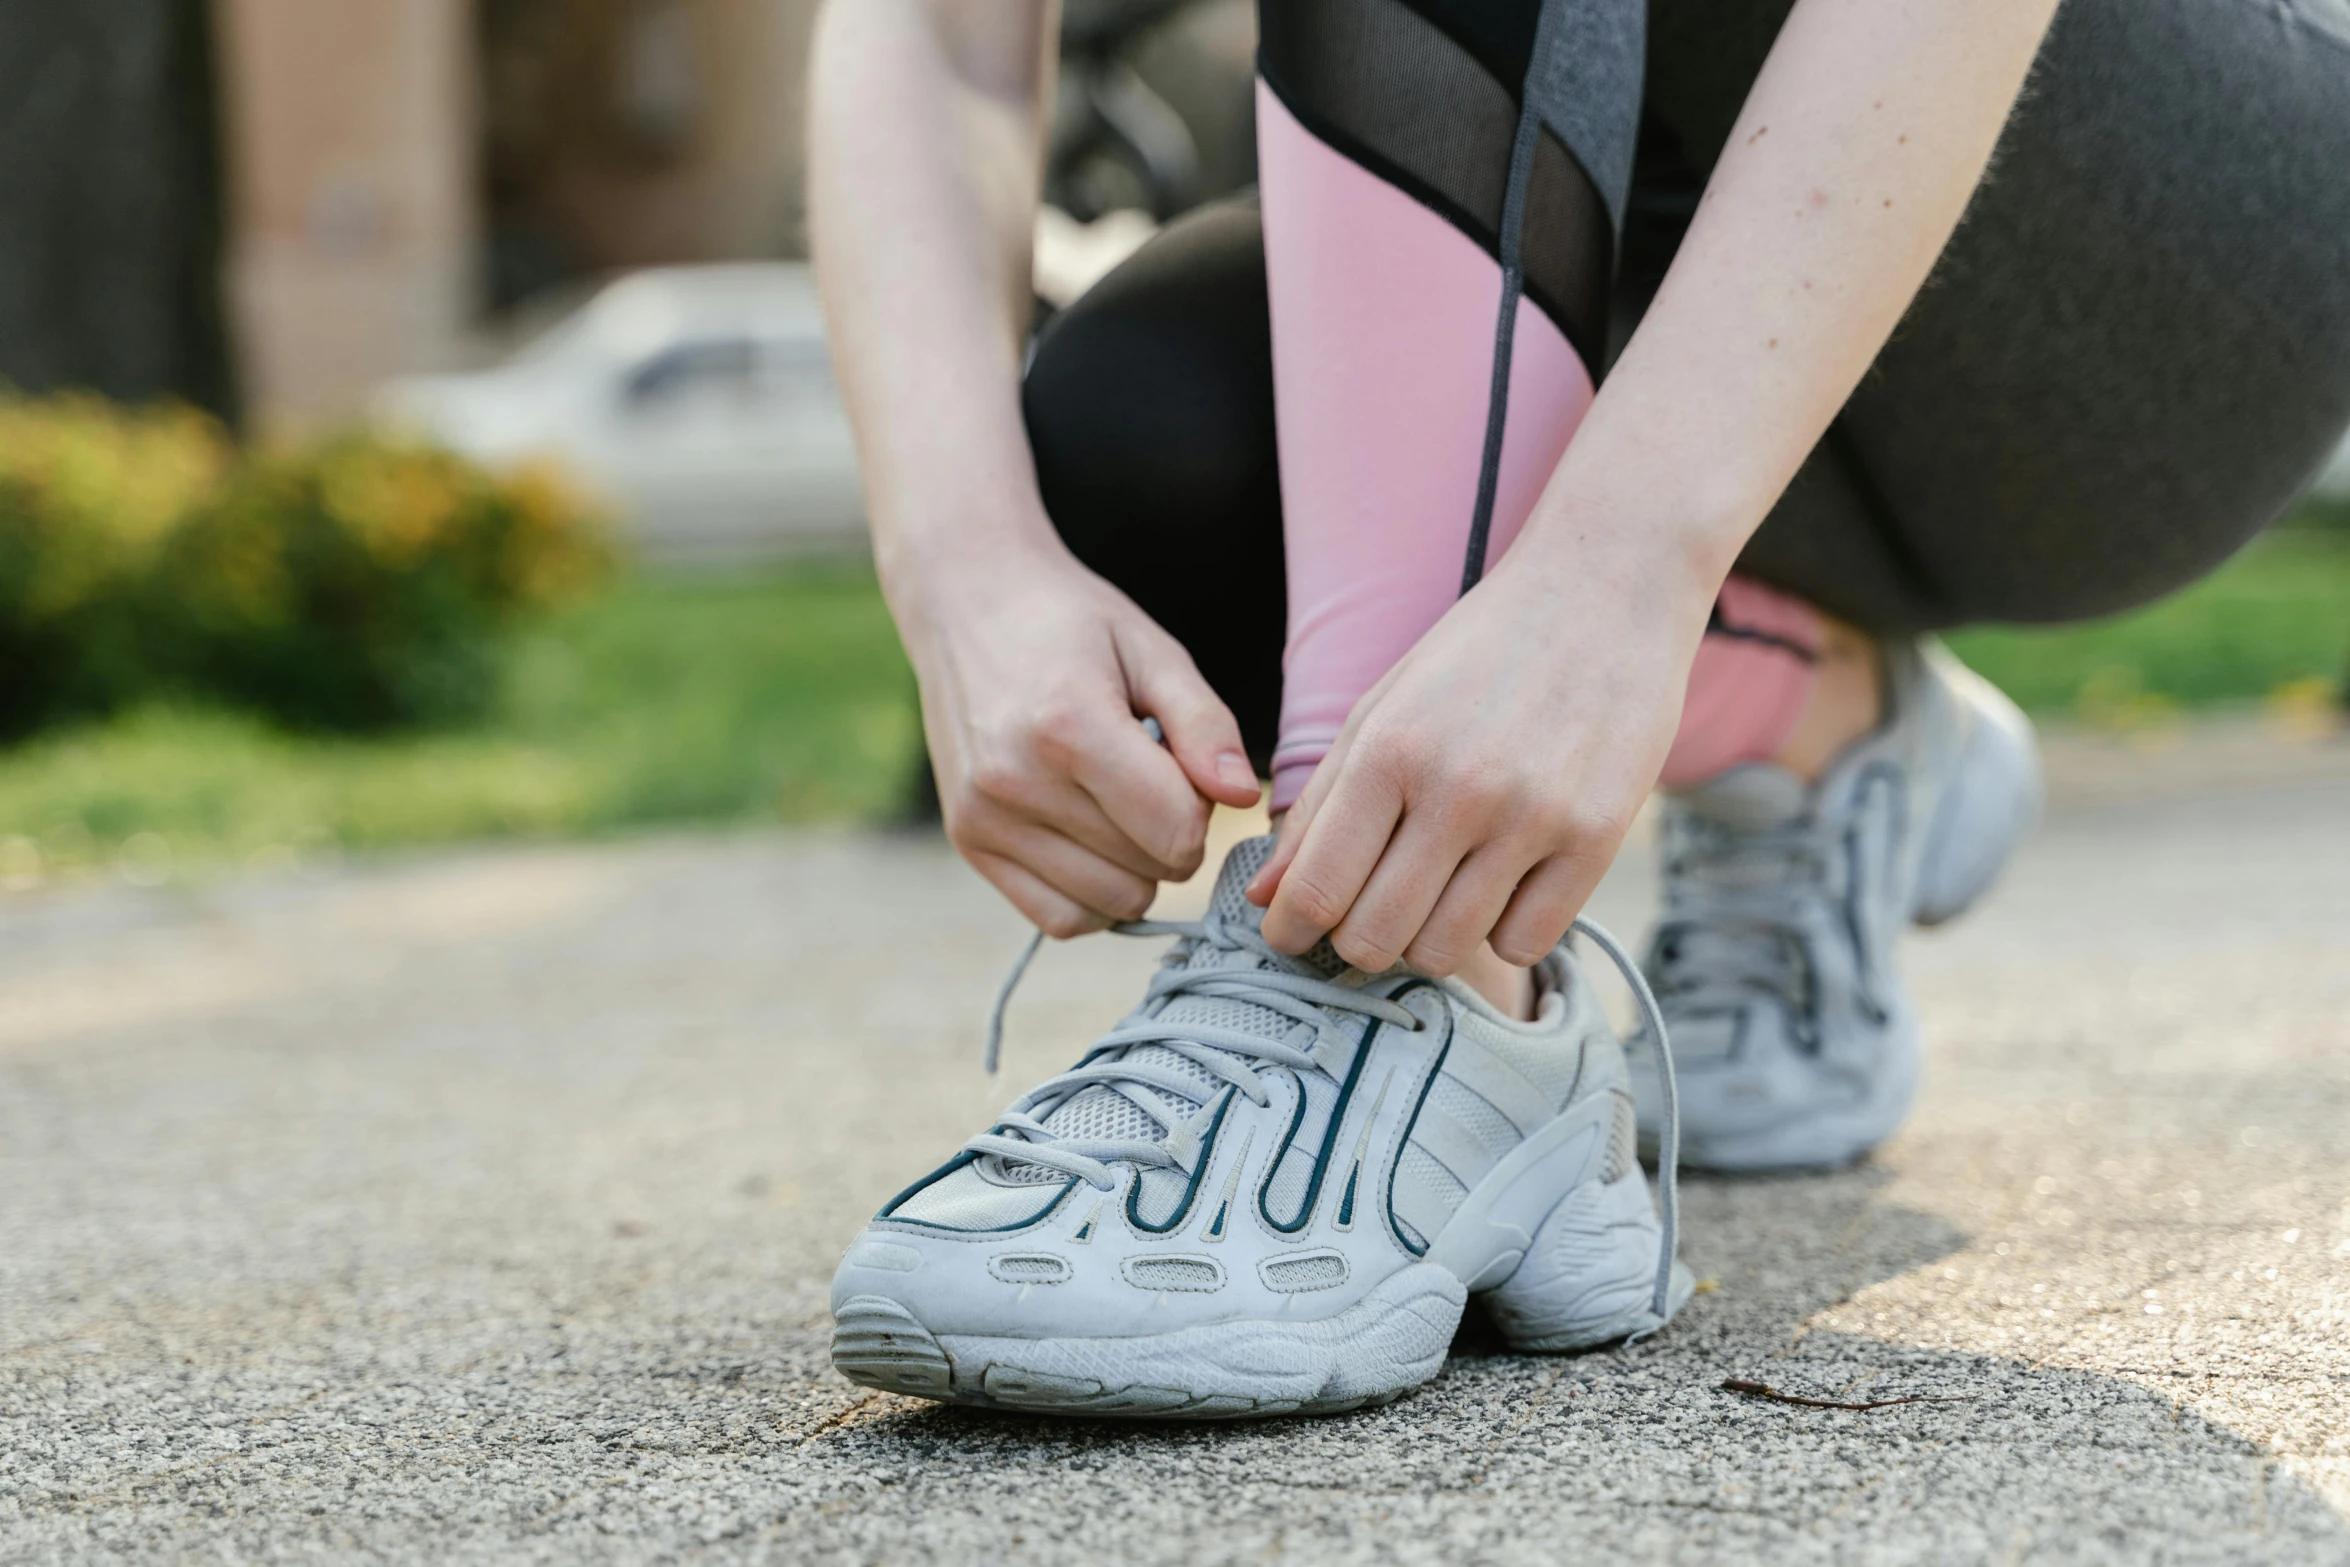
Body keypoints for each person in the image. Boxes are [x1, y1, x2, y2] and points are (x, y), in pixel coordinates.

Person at [809, 0, 2350, 1417]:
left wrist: (1626, 567)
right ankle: (1814, 712)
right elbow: (934, 32)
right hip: (1667, 262)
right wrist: (968, 573)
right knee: (1143, 435)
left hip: (2154, 265)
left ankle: (1414, 976)